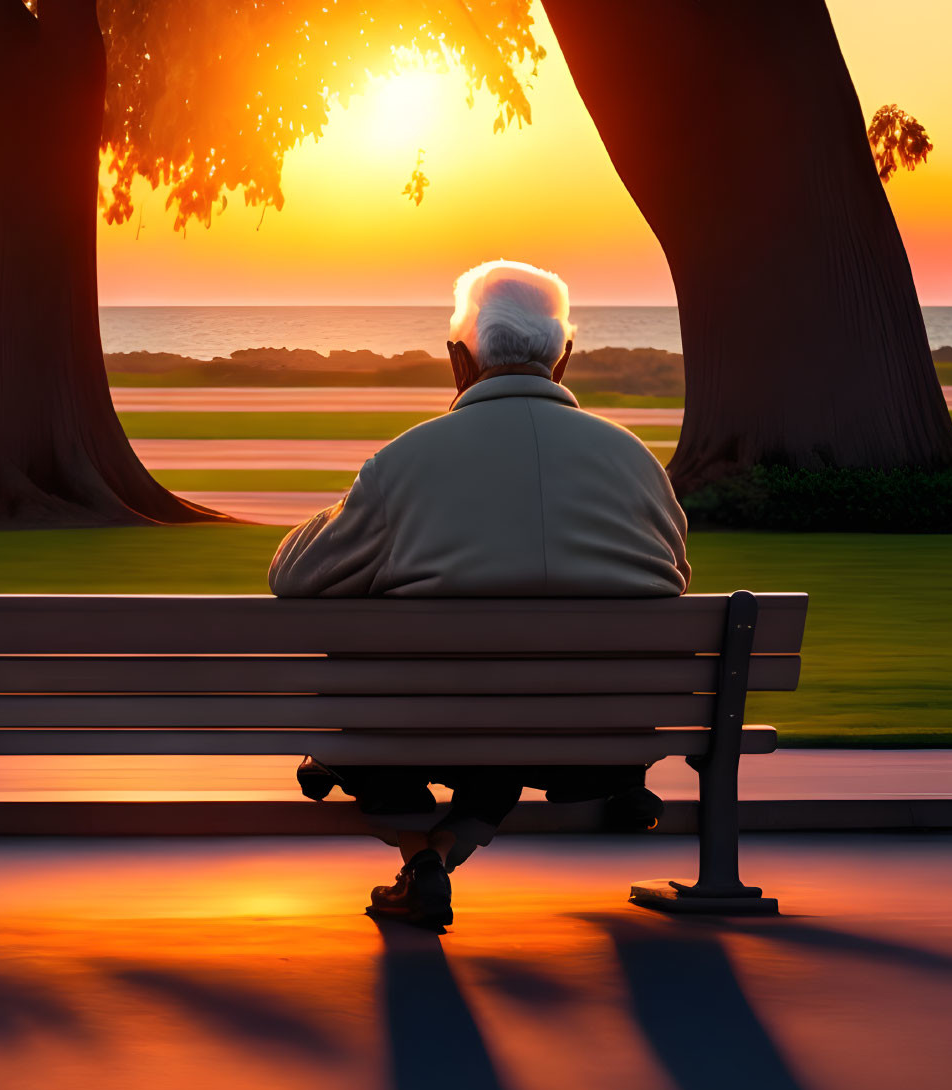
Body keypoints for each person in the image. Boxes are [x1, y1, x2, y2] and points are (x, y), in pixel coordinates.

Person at [269, 260, 691, 931]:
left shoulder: (402, 463)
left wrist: (360, 508)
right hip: (604, 739)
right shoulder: (636, 462)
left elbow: (292, 578)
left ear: (456, 360)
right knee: (508, 711)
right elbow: (673, 578)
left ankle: (423, 858)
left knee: (359, 704)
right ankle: (447, 843)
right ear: (564, 359)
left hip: (440, 728)